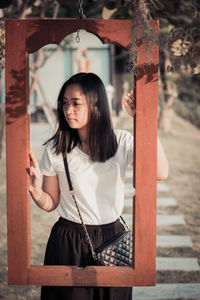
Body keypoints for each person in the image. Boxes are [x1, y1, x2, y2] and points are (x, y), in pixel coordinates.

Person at [29, 72, 169, 300]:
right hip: (68, 241)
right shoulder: (56, 148)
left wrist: (143, 121)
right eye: (64, 103)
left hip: (112, 238)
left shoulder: (121, 142)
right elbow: (51, 202)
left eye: (76, 103)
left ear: (96, 104)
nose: (68, 110)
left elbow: (160, 172)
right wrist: (36, 192)